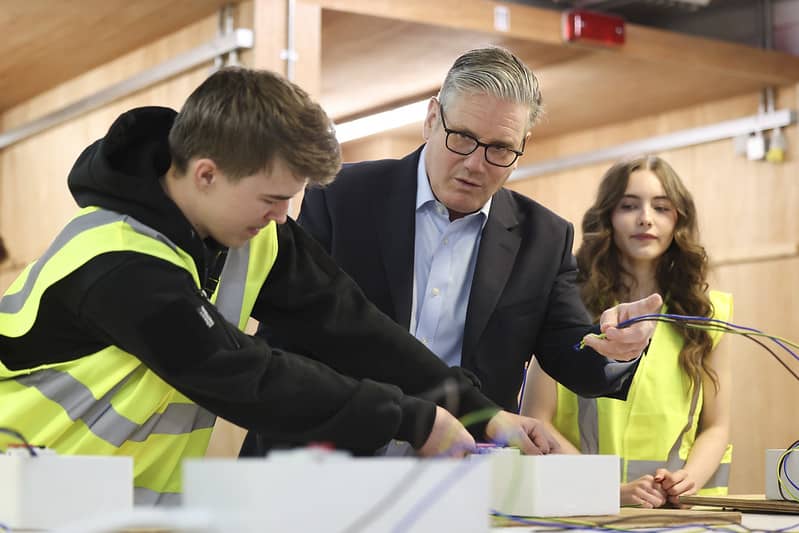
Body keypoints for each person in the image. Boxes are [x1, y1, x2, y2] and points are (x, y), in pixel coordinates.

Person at [1, 67, 590, 506]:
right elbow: (245, 374)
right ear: (206, 174)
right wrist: (413, 420)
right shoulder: (118, 262)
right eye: (271, 198)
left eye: (290, 198)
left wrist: (483, 412)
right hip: (25, 497)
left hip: (118, 503)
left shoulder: (253, 233)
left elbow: (355, 327)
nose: (283, 217)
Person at [245, 46, 661, 455]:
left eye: (500, 149)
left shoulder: (544, 238)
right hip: (324, 458)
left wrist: (614, 348)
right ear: (431, 119)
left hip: (459, 468)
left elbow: (572, 355)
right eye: (462, 137)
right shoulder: (343, 197)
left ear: (523, 146)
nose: (476, 164)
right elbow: (290, 336)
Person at [522, 155, 733, 508]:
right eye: (629, 205)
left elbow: (716, 425)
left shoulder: (708, 315)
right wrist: (607, 490)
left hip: (678, 515)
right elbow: (536, 420)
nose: (645, 218)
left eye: (661, 208)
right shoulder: (567, 308)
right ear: (607, 216)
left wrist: (688, 479)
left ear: (679, 220)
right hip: (581, 510)